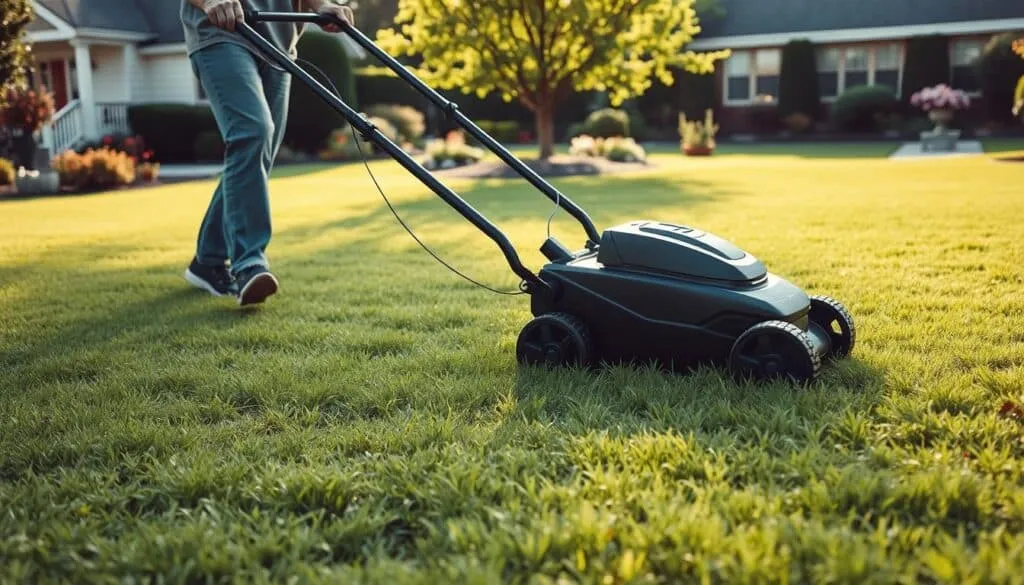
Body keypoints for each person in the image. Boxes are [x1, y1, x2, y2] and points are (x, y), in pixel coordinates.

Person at [180, 0, 355, 305]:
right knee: (253, 132)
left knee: (258, 152)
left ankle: (208, 260)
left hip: (279, 43)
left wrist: (322, 5)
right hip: (223, 29)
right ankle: (249, 263)